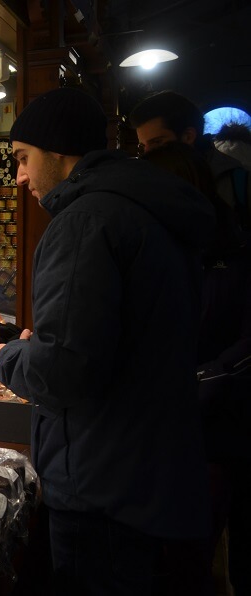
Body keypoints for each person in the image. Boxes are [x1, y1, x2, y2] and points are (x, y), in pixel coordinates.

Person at [0, 86, 217, 595]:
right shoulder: (140, 204)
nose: (20, 175)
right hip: (150, 469)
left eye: (24, 159)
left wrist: (10, 355)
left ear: (59, 150)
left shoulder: (84, 221)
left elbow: (63, 371)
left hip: (104, 485)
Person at [140, 141, 251, 596]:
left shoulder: (234, 252)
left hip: (215, 433)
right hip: (156, 432)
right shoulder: (155, 245)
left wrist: (206, 378)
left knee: (190, 557)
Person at [129, 90, 250, 229]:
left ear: (188, 136)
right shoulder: (149, 184)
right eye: (142, 146)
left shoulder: (238, 184)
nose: (146, 154)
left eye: (157, 142)